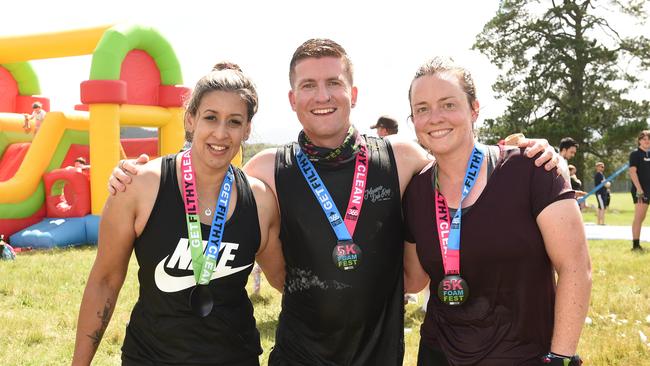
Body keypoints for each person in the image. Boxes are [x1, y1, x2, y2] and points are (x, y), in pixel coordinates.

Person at [108, 40, 560, 365]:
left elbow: (461, 162)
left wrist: (524, 151)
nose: (321, 96)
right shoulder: (267, 169)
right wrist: (138, 171)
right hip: (298, 354)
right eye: (308, 85)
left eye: (333, 83)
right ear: (292, 99)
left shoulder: (402, 159)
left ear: (353, 93)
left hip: (380, 355)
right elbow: (206, 179)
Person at [72, 63, 285, 365]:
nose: (221, 133)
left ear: (247, 129)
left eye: (234, 122)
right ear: (191, 119)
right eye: (211, 117)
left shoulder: (260, 201)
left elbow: (286, 281)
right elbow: (105, 281)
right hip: (151, 357)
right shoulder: (140, 186)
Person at [402, 57, 591, 366]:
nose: (435, 117)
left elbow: (575, 266)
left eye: (448, 104)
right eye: (422, 109)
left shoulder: (533, 168)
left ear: (474, 109)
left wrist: (560, 357)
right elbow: (413, 280)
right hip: (440, 353)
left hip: (525, 355)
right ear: (413, 119)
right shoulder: (416, 191)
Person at [629, 130, 650, 251]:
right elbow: (632, 172)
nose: (647, 141)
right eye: (644, 139)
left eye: (649, 139)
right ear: (639, 141)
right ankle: (636, 245)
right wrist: (639, 189)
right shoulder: (635, 154)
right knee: (639, 217)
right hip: (640, 191)